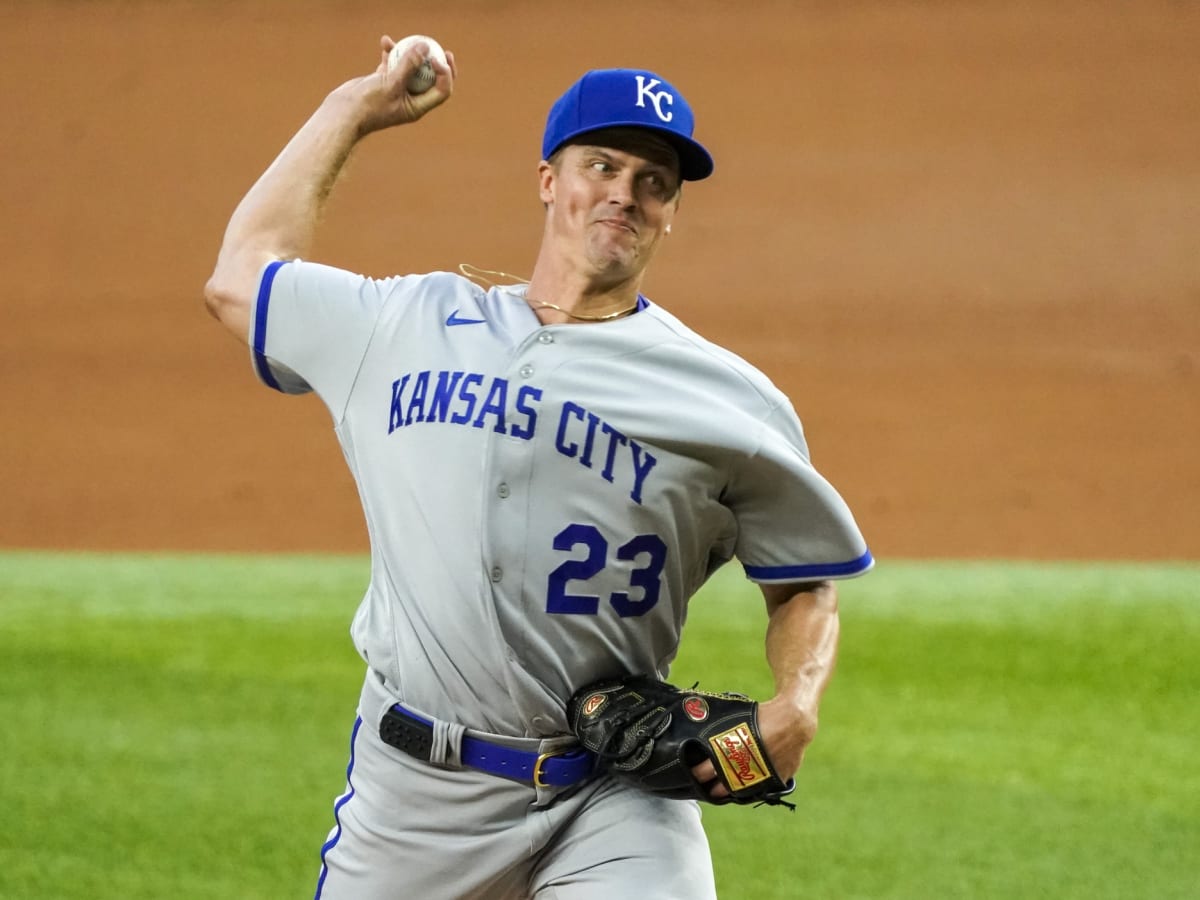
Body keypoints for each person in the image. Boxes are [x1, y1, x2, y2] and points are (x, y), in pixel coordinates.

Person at [205, 33, 873, 900]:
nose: (624, 195)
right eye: (601, 165)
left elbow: (806, 581)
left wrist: (797, 704)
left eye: (653, 182)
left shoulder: (727, 400)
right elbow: (240, 277)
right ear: (549, 179)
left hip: (615, 795)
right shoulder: (401, 324)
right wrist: (353, 110)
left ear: (672, 210)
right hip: (415, 797)